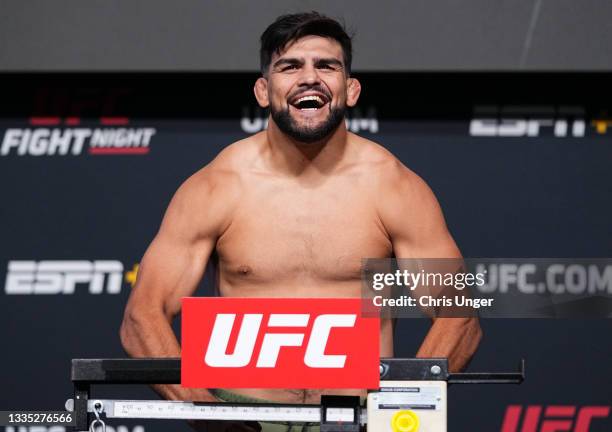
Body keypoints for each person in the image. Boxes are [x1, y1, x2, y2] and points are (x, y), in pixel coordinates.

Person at [120, 11, 482, 432]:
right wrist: (204, 409)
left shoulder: (394, 186)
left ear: (350, 90)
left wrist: (404, 406)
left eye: (326, 66)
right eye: (289, 66)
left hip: (360, 418)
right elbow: (142, 316)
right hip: (242, 415)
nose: (309, 78)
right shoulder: (215, 186)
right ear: (262, 90)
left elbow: (459, 314)